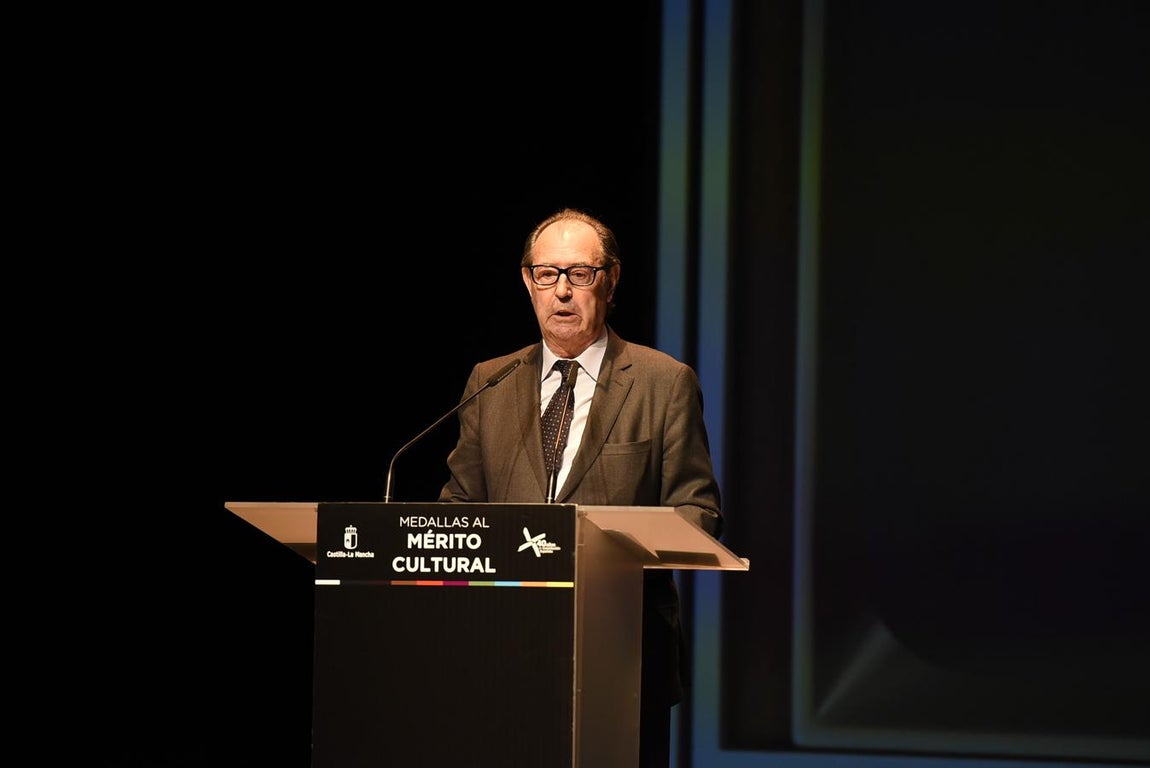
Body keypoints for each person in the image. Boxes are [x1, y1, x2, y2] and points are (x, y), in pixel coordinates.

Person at [438, 207, 723, 767]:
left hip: (621, 657)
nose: (562, 292)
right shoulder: (488, 382)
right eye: (547, 275)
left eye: (580, 274)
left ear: (610, 280)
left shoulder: (664, 383)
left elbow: (700, 512)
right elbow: (458, 509)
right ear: (528, 281)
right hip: (505, 653)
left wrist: (609, 540)